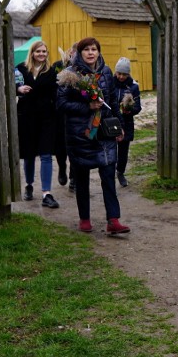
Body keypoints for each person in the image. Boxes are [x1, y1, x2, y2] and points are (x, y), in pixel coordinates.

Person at [56, 37, 130, 235]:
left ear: (98, 51)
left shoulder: (105, 72)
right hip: (80, 134)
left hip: (104, 132)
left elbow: (113, 100)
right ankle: (85, 218)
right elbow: (61, 105)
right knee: (82, 178)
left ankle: (113, 220)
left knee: (108, 176)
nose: (91, 53)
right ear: (79, 53)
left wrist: (119, 125)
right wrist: (86, 106)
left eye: (94, 49)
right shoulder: (69, 75)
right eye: (86, 49)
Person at [15, 41, 60, 208]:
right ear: (32, 53)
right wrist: (18, 90)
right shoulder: (20, 68)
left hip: (47, 117)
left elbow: (57, 92)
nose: (42, 54)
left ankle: (46, 193)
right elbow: (11, 86)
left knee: (46, 154)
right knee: (29, 154)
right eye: (38, 51)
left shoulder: (52, 71)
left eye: (44, 51)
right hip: (26, 116)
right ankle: (28, 185)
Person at [109, 56, 141, 187]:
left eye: (124, 74)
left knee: (123, 151)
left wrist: (130, 110)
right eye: (119, 73)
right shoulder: (110, 83)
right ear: (115, 72)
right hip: (111, 122)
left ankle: (120, 172)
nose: (121, 76)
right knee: (111, 150)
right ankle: (109, 174)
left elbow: (138, 106)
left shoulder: (133, 87)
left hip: (126, 122)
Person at [51, 43, 77, 191]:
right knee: (60, 145)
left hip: (75, 112)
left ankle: (74, 177)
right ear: (70, 52)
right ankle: (62, 168)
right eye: (74, 52)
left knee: (74, 145)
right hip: (59, 113)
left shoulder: (83, 69)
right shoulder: (58, 65)